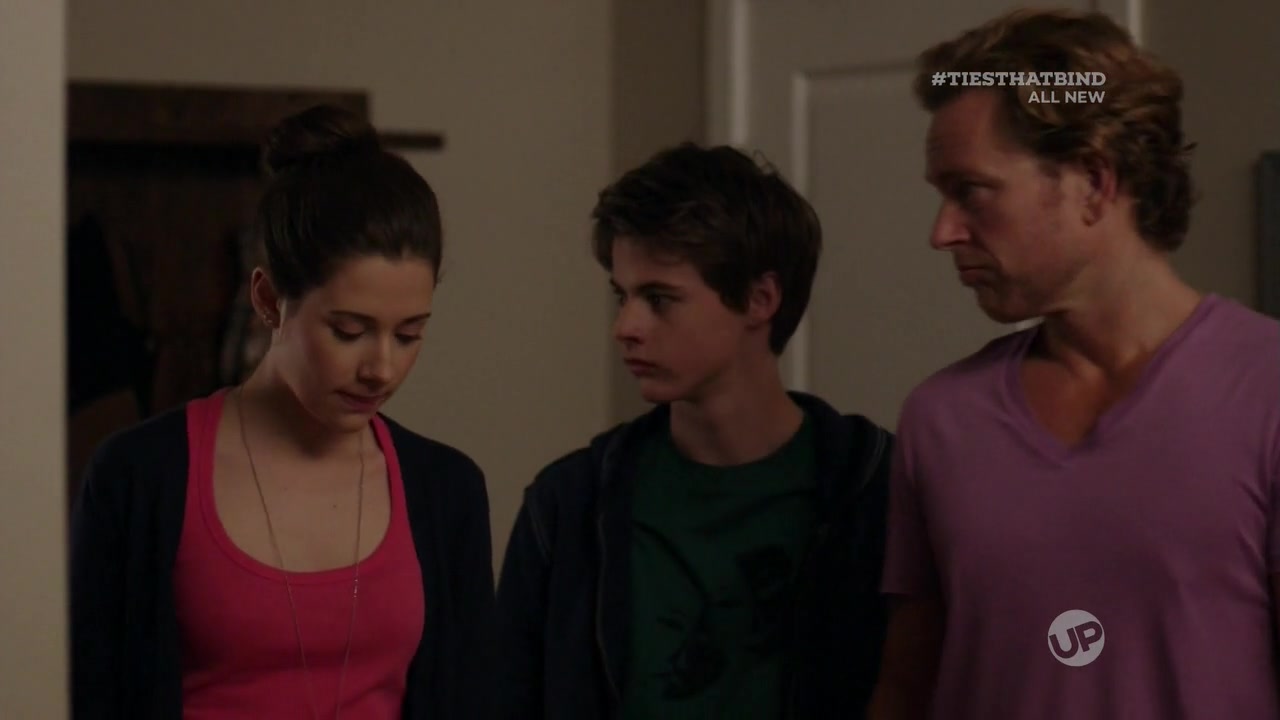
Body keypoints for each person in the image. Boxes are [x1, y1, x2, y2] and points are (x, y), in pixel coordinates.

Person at [869, 8, 1280, 720]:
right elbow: (907, 688)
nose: (943, 232)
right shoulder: (941, 421)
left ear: (1092, 181)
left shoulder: (1266, 390)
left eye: (970, 191)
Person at [70, 105, 494, 719]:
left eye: (409, 334)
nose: (382, 368)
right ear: (268, 299)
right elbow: (93, 692)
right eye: (348, 331)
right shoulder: (139, 475)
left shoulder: (447, 491)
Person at [494, 142, 894, 719]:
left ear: (760, 299)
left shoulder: (875, 490)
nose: (625, 327)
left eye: (660, 299)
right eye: (622, 296)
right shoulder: (569, 504)